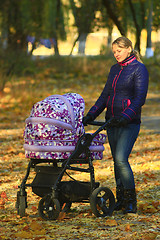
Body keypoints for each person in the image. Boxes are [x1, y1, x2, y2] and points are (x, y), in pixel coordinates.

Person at [83, 36, 149, 214]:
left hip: (129, 123)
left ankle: (130, 202)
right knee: (117, 162)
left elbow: (139, 99)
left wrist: (125, 117)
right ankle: (120, 200)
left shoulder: (139, 69)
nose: (116, 55)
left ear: (128, 48)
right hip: (111, 121)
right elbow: (105, 96)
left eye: (118, 51)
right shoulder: (114, 69)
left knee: (121, 159)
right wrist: (91, 114)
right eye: (114, 52)